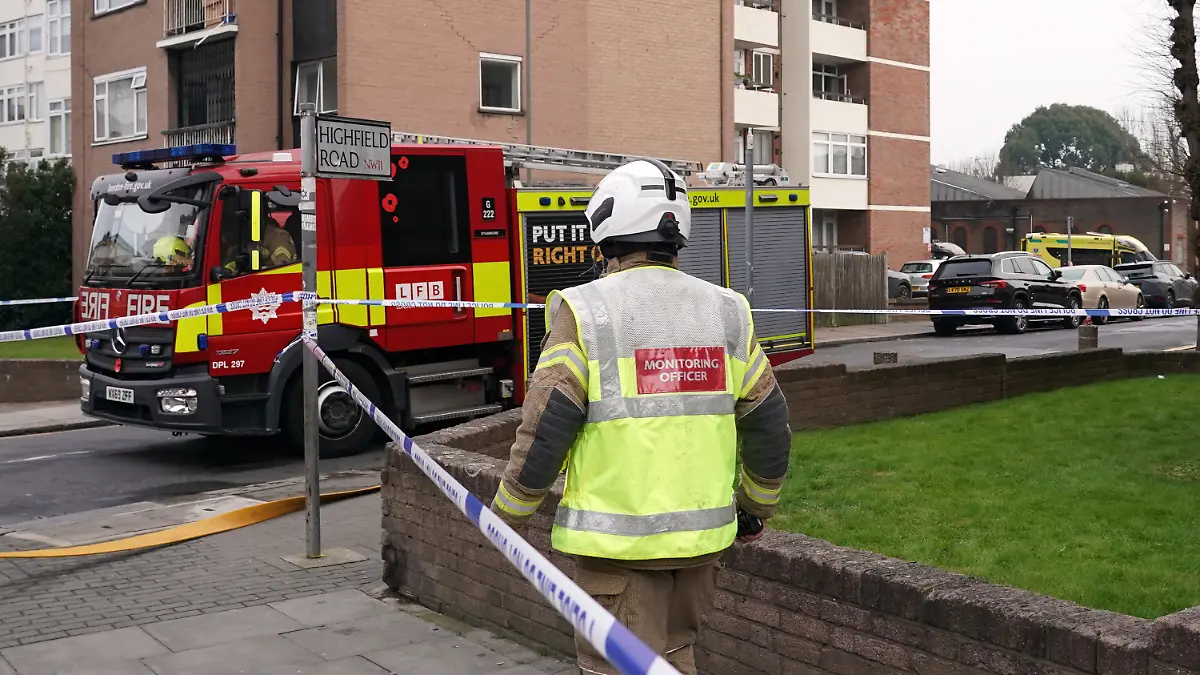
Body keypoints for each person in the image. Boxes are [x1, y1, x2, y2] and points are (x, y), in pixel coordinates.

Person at [489, 159, 792, 675]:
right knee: (675, 659)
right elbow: (768, 422)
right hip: (702, 547)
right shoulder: (726, 311)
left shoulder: (588, 311)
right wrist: (755, 509)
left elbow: (547, 426)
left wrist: (508, 516)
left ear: (607, 227)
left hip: (620, 551)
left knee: (618, 669)